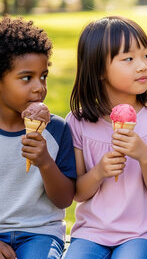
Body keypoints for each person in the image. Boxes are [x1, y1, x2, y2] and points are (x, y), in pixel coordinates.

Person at [64, 16, 147, 259]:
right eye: (128, 59)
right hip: (91, 233)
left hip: (142, 233)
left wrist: (144, 156)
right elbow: (78, 193)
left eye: (146, 55)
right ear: (99, 71)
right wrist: (99, 172)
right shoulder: (78, 123)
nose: (142, 66)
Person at [0, 16, 76, 259]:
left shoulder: (56, 130)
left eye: (43, 76)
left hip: (40, 232)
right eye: (26, 78)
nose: (39, 87)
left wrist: (45, 163)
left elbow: (64, 199)